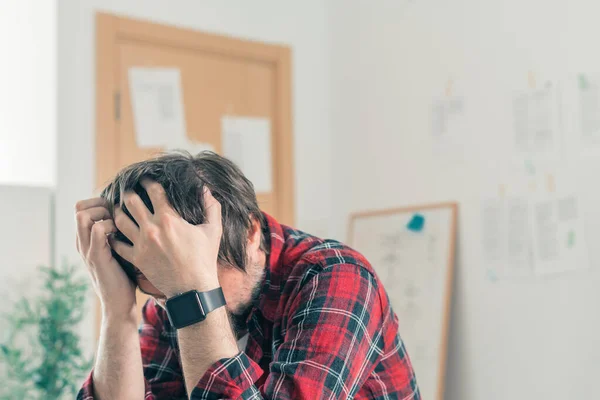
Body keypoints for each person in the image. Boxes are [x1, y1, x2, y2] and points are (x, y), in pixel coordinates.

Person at [75, 151, 420, 399]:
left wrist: (192, 291)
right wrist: (118, 311)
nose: (167, 306)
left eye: (197, 276)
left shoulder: (336, 277)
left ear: (252, 233)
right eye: (161, 294)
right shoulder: (168, 299)